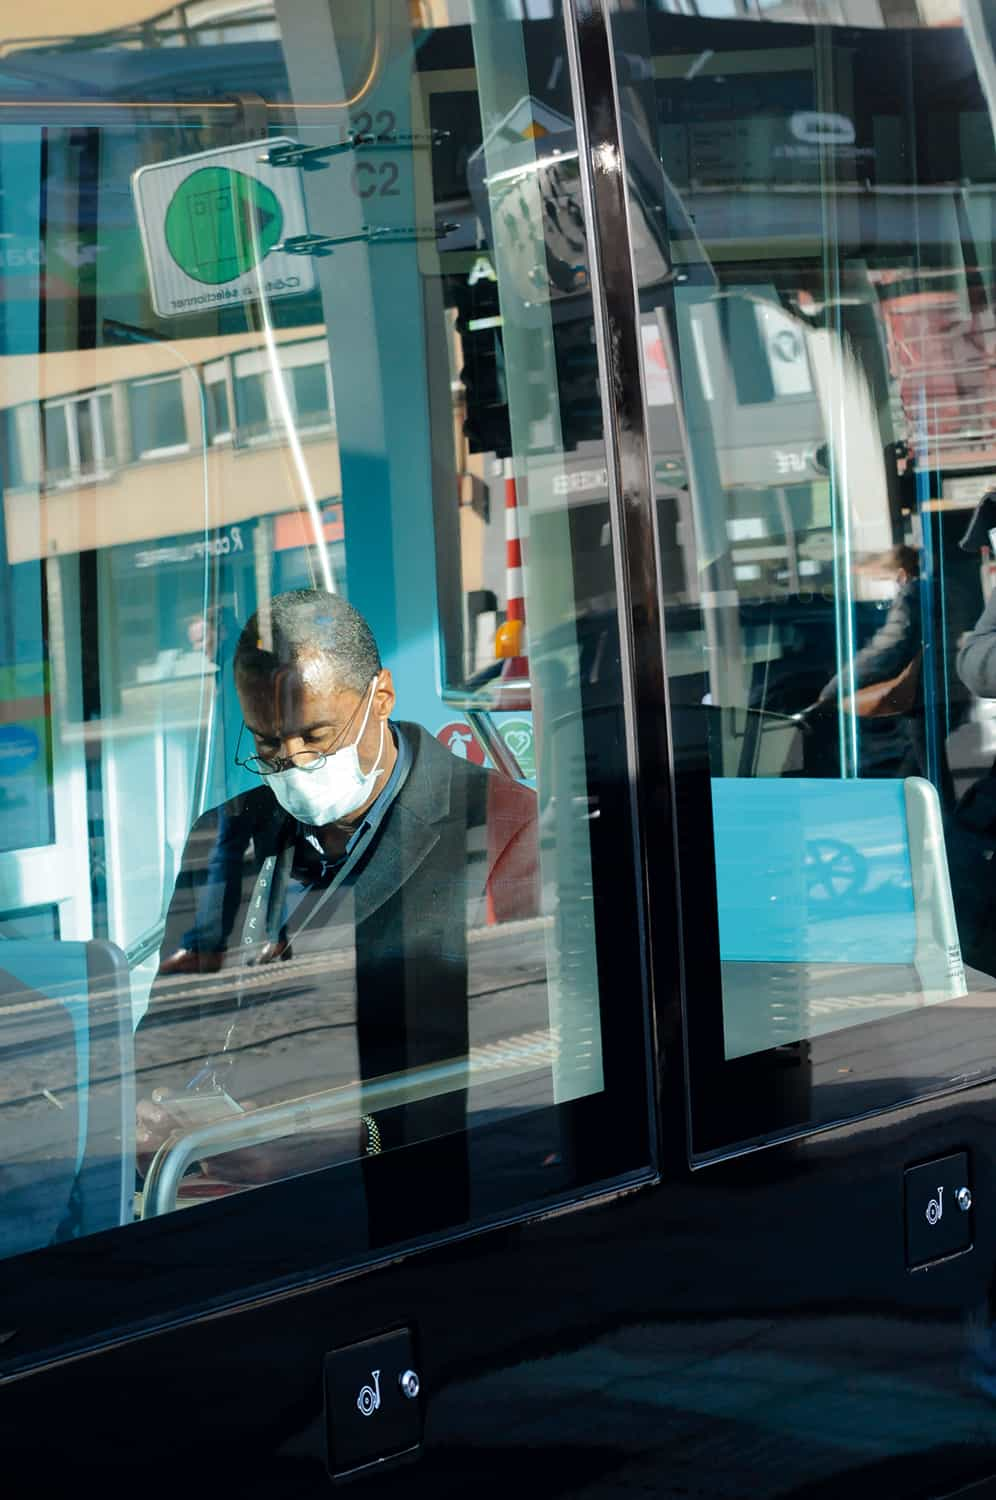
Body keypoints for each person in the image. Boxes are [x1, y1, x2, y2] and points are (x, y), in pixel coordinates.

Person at [135, 589, 539, 1207]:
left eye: (315, 736)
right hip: (207, 1197)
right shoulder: (225, 837)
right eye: (267, 744)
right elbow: (166, 1031)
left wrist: (338, 1143)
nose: (292, 765)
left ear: (381, 697)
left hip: (403, 1207)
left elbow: (529, 1077)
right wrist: (145, 1117)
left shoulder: (503, 829)